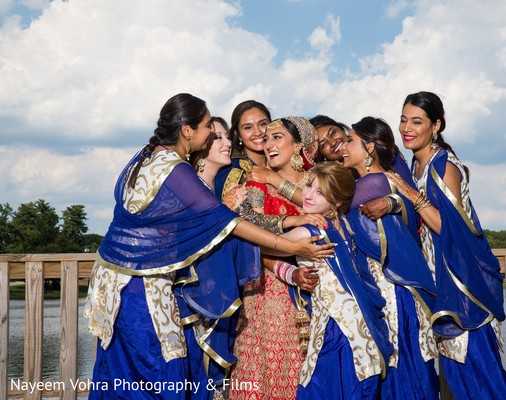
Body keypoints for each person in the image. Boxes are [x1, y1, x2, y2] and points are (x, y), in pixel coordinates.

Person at [84, 94, 334, 400]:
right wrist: (288, 243)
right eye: (207, 127)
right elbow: (228, 223)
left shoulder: (143, 158)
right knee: (156, 374)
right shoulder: (176, 170)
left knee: (122, 373)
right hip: (142, 287)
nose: (213, 134)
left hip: (114, 279)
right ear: (187, 131)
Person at [387, 91, 506, 399]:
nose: (407, 128)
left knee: (479, 373)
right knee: (459, 375)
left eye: (417, 122)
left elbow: (451, 228)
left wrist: (411, 195)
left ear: (437, 126)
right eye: (404, 119)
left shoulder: (445, 167)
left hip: (463, 285)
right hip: (440, 282)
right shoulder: (415, 165)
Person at [341, 116, 439, 399]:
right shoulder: (378, 181)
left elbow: (329, 204)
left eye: (351, 141)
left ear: (369, 147)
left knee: (399, 366)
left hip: (391, 288)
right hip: (386, 287)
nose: (344, 147)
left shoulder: (374, 182)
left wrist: (278, 182)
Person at [279, 162, 393, 400]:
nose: (308, 194)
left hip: (336, 331)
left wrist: (289, 270)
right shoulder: (348, 224)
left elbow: (257, 248)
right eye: (309, 186)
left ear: (337, 201)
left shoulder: (309, 232)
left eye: (320, 192)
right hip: (363, 330)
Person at [229, 116, 321, 400]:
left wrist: (276, 180)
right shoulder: (256, 183)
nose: (268, 144)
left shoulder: (321, 178)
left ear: (298, 146)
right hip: (269, 288)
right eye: (266, 139)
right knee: (270, 370)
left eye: (277, 137)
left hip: (321, 287)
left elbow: (328, 208)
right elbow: (248, 225)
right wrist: (291, 224)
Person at [214, 100, 271, 200]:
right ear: (238, 135)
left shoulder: (286, 161)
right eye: (248, 127)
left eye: (263, 124)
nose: (257, 132)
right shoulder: (233, 173)